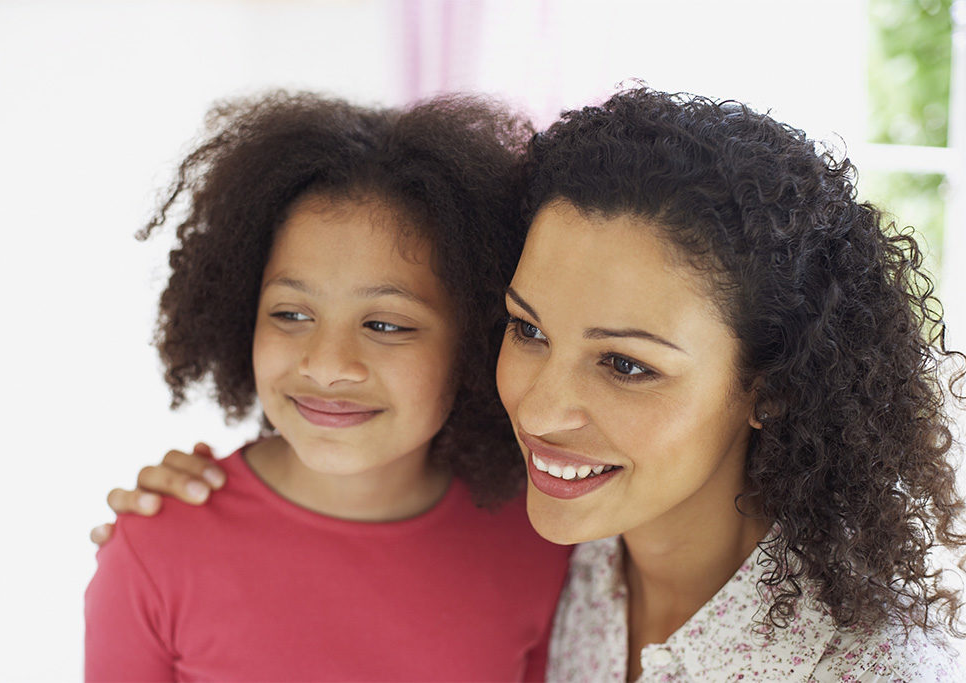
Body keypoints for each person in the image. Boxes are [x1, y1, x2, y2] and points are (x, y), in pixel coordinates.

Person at [98, 87, 966, 681]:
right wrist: (188, 520)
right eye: (528, 330)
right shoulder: (569, 549)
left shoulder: (868, 665)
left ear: (771, 384)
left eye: (627, 365)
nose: (542, 409)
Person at [84, 91, 572, 682]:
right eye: (291, 314)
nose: (328, 364)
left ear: (477, 343)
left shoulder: (540, 545)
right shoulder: (153, 552)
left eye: (386, 325)